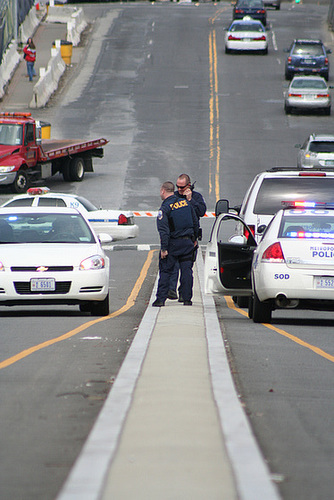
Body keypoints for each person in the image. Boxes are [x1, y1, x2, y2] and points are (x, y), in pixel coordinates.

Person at [152, 181, 199, 307]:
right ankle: (187, 299)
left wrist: (164, 249)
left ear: (163, 191)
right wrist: (194, 239)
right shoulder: (186, 204)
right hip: (188, 242)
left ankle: (160, 299)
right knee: (187, 271)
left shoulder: (165, 208)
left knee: (166, 271)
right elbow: (195, 222)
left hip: (173, 243)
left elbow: (164, 231)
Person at [168, 173, 206, 301]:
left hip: (189, 238)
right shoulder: (173, 197)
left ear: (189, 186)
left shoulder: (196, 197)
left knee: (186, 268)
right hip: (174, 237)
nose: (179, 190)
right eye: (177, 187)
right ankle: (171, 290)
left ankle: (184, 294)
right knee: (173, 266)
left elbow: (201, 212)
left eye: (182, 187)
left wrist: (190, 200)